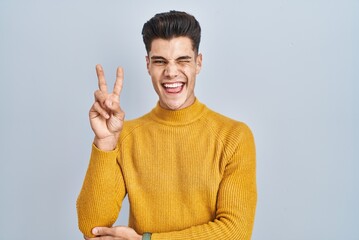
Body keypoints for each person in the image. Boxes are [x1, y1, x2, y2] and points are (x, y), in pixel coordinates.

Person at [77, 10, 257, 240]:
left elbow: (236, 233)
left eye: (183, 60)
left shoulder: (234, 137)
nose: (171, 72)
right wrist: (104, 142)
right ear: (148, 65)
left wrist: (148, 239)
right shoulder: (125, 136)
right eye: (160, 61)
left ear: (198, 63)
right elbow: (92, 227)